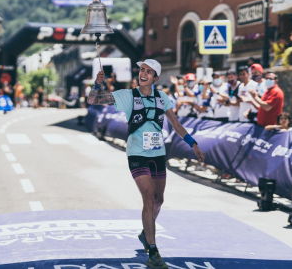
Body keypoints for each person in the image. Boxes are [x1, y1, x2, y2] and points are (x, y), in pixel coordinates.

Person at [87, 59, 205, 268]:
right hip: (136, 153)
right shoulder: (127, 95)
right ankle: (153, 252)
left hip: (158, 154)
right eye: (142, 70)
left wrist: (193, 144)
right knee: (148, 198)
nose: (144, 74)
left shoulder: (162, 97)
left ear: (155, 78)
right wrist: (97, 84)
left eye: (149, 72)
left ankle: (145, 233)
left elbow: (176, 124)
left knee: (159, 200)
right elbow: (93, 100)